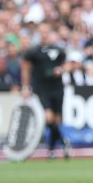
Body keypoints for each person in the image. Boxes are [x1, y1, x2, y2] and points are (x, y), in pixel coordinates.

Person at [21, 23, 71, 160]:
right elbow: (25, 69)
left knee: (56, 120)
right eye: (41, 32)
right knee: (48, 117)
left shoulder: (58, 50)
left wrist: (61, 70)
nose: (43, 34)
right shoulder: (33, 51)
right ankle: (64, 142)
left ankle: (51, 150)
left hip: (57, 88)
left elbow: (67, 64)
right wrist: (25, 87)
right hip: (42, 89)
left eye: (46, 31)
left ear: (50, 33)